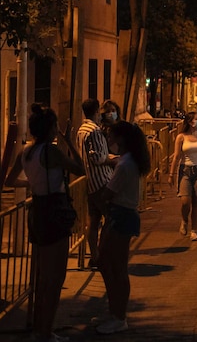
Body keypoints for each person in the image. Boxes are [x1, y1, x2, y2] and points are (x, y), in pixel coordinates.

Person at [4, 104, 86, 342]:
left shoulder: (26, 153)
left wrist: (31, 185)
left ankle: (40, 329)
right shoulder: (51, 152)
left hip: (37, 210)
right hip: (54, 211)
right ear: (50, 128)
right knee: (55, 277)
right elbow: (80, 169)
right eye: (55, 126)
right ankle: (45, 331)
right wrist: (70, 143)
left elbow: (10, 180)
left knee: (41, 277)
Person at [94, 121, 151, 335]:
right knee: (109, 265)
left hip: (121, 215)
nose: (109, 140)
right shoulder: (127, 161)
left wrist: (99, 198)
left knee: (115, 267)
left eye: (111, 136)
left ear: (121, 139)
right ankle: (115, 312)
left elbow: (108, 193)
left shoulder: (125, 165)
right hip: (122, 215)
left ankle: (118, 315)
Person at [77, 98, 117, 270]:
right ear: (96, 112)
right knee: (111, 219)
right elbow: (99, 157)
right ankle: (103, 255)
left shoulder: (81, 129)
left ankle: (94, 256)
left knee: (93, 222)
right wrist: (115, 159)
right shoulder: (94, 131)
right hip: (102, 182)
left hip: (90, 182)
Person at [169, 111, 197, 241]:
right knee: (185, 201)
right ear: (190, 122)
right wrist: (171, 174)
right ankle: (184, 220)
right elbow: (177, 156)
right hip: (185, 170)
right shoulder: (181, 137)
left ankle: (194, 230)